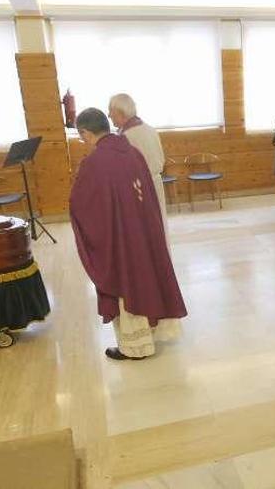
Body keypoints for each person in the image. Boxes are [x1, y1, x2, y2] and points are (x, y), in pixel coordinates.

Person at [69, 108, 187, 360]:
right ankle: (152, 332)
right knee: (147, 276)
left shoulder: (94, 163)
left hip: (121, 237)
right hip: (143, 231)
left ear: (86, 133)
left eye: (82, 137)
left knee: (127, 281)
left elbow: (81, 205)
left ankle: (135, 346)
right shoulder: (133, 153)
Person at [109, 93, 169, 234]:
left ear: (119, 112)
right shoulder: (150, 129)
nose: (109, 115)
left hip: (138, 189)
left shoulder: (126, 137)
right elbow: (161, 160)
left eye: (110, 111)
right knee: (158, 227)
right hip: (155, 183)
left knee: (143, 231)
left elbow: (122, 171)